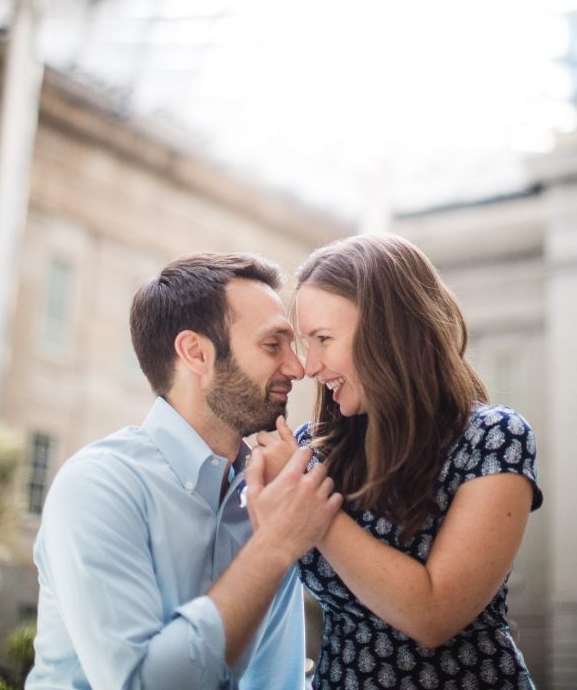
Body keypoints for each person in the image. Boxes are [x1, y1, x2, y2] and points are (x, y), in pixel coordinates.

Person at [26, 252, 342, 690]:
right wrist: (273, 546)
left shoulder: (270, 491)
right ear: (195, 353)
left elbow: (278, 683)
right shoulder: (97, 486)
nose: (298, 367)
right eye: (273, 345)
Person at [254, 233, 543, 689]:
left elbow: (433, 616)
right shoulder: (313, 449)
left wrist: (311, 504)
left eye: (324, 339)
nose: (310, 366)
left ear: (392, 333)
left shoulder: (493, 438)